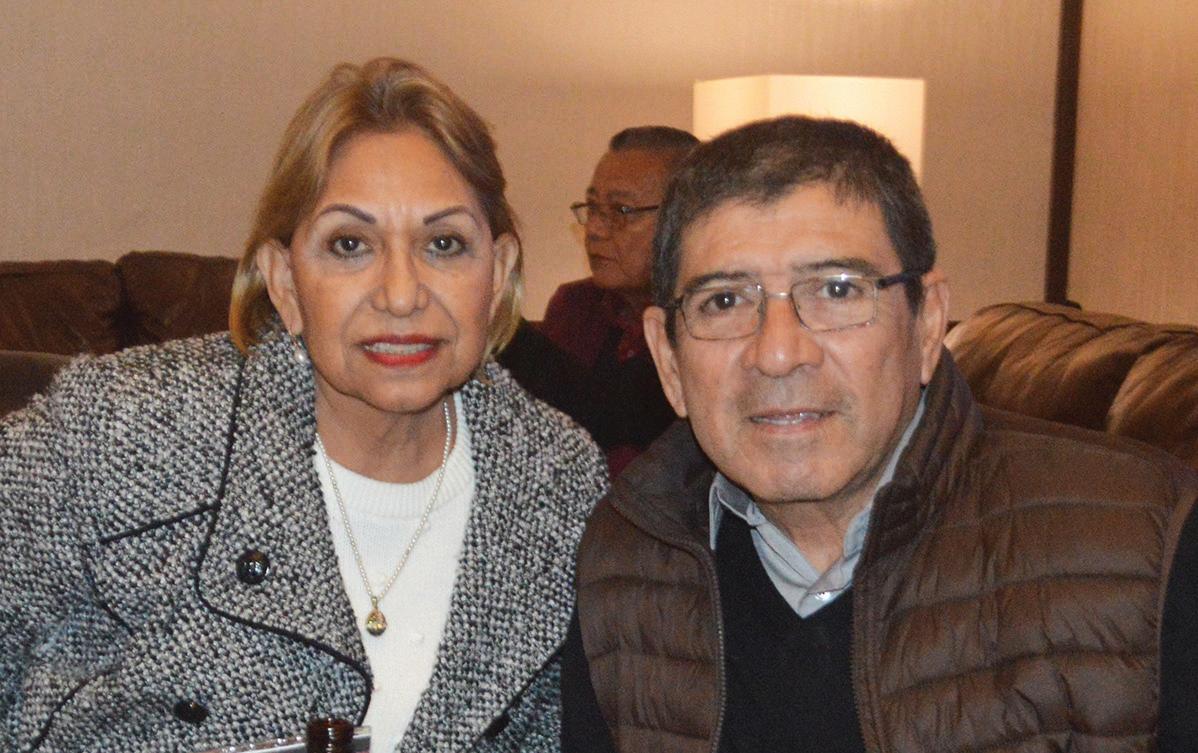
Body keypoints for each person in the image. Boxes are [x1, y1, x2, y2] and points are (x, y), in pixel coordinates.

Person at [0, 58, 607, 753]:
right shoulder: (122, 428)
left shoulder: (561, 482)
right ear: (285, 282)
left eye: (444, 244)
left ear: (497, 278)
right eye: (350, 245)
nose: (402, 294)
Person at [561, 116, 1198, 752]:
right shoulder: (628, 558)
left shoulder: (1147, 546)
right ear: (669, 361)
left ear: (928, 325)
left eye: (837, 290)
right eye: (724, 301)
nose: (778, 353)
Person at [538, 126, 698, 474]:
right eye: (593, 208)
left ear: (685, 220)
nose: (595, 229)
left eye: (621, 210)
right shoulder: (575, 308)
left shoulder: (703, 323)